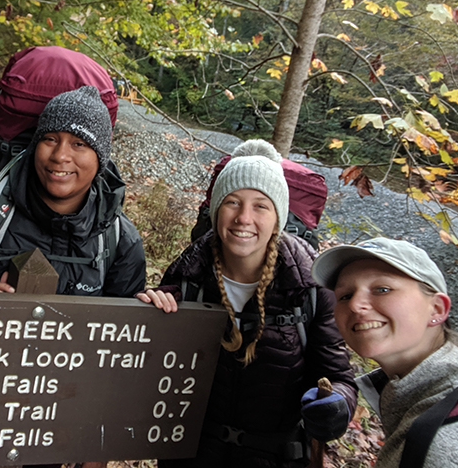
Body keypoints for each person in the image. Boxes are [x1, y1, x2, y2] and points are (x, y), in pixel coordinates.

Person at [136, 139, 358, 468]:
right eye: (232, 202)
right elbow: (152, 372)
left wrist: (336, 405)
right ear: (215, 210)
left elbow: (337, 376)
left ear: (277, 217)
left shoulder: (308, 288)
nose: (244, 217)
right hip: (191, 455)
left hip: (277, 458)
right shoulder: (188, 277)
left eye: (260, 206)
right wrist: (148, 319)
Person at [0, 85, 146, 297]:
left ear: (100, 159)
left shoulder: (119, 240)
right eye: (50, 139)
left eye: (79, 143)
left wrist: (152, 303)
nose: (60, 156)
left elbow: (123, 321)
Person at [311, 238, 458, 467]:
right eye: (345, 295)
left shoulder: (454, 446)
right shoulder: (430, 398)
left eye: (382, 289)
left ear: (437, 308)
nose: (355, 305)